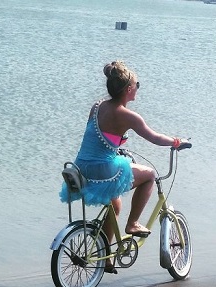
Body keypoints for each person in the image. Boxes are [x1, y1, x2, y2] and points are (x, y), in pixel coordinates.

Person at [59, 60, 183, 274]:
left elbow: (97, 137)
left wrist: (117, 144)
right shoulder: (128, 116)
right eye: (137, 84)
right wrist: (176, 142)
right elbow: (154, 137)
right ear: (128, 89)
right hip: (104, 169)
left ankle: (105, 258)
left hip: (81, 167)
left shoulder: (97, 106)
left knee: (115, 206)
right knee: (150, 174)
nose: (137, 88)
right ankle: (133, 223)